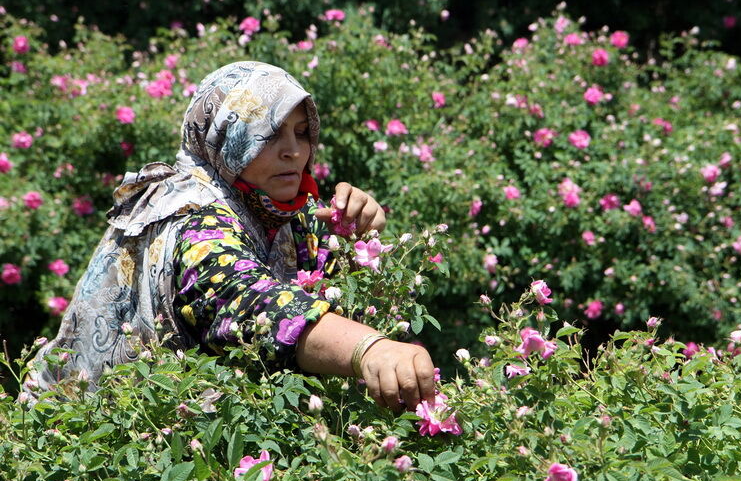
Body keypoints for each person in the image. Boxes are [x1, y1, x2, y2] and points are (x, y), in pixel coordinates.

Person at [26, 61, 436, 412]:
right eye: (271, 133)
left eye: (302, 132)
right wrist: (371, 349)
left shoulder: (275, 207)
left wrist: (354, 238)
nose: (294, 151)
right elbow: (251, 302)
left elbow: (326, 295)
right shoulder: (193, 217)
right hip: (76, 449)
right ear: (228, 137)